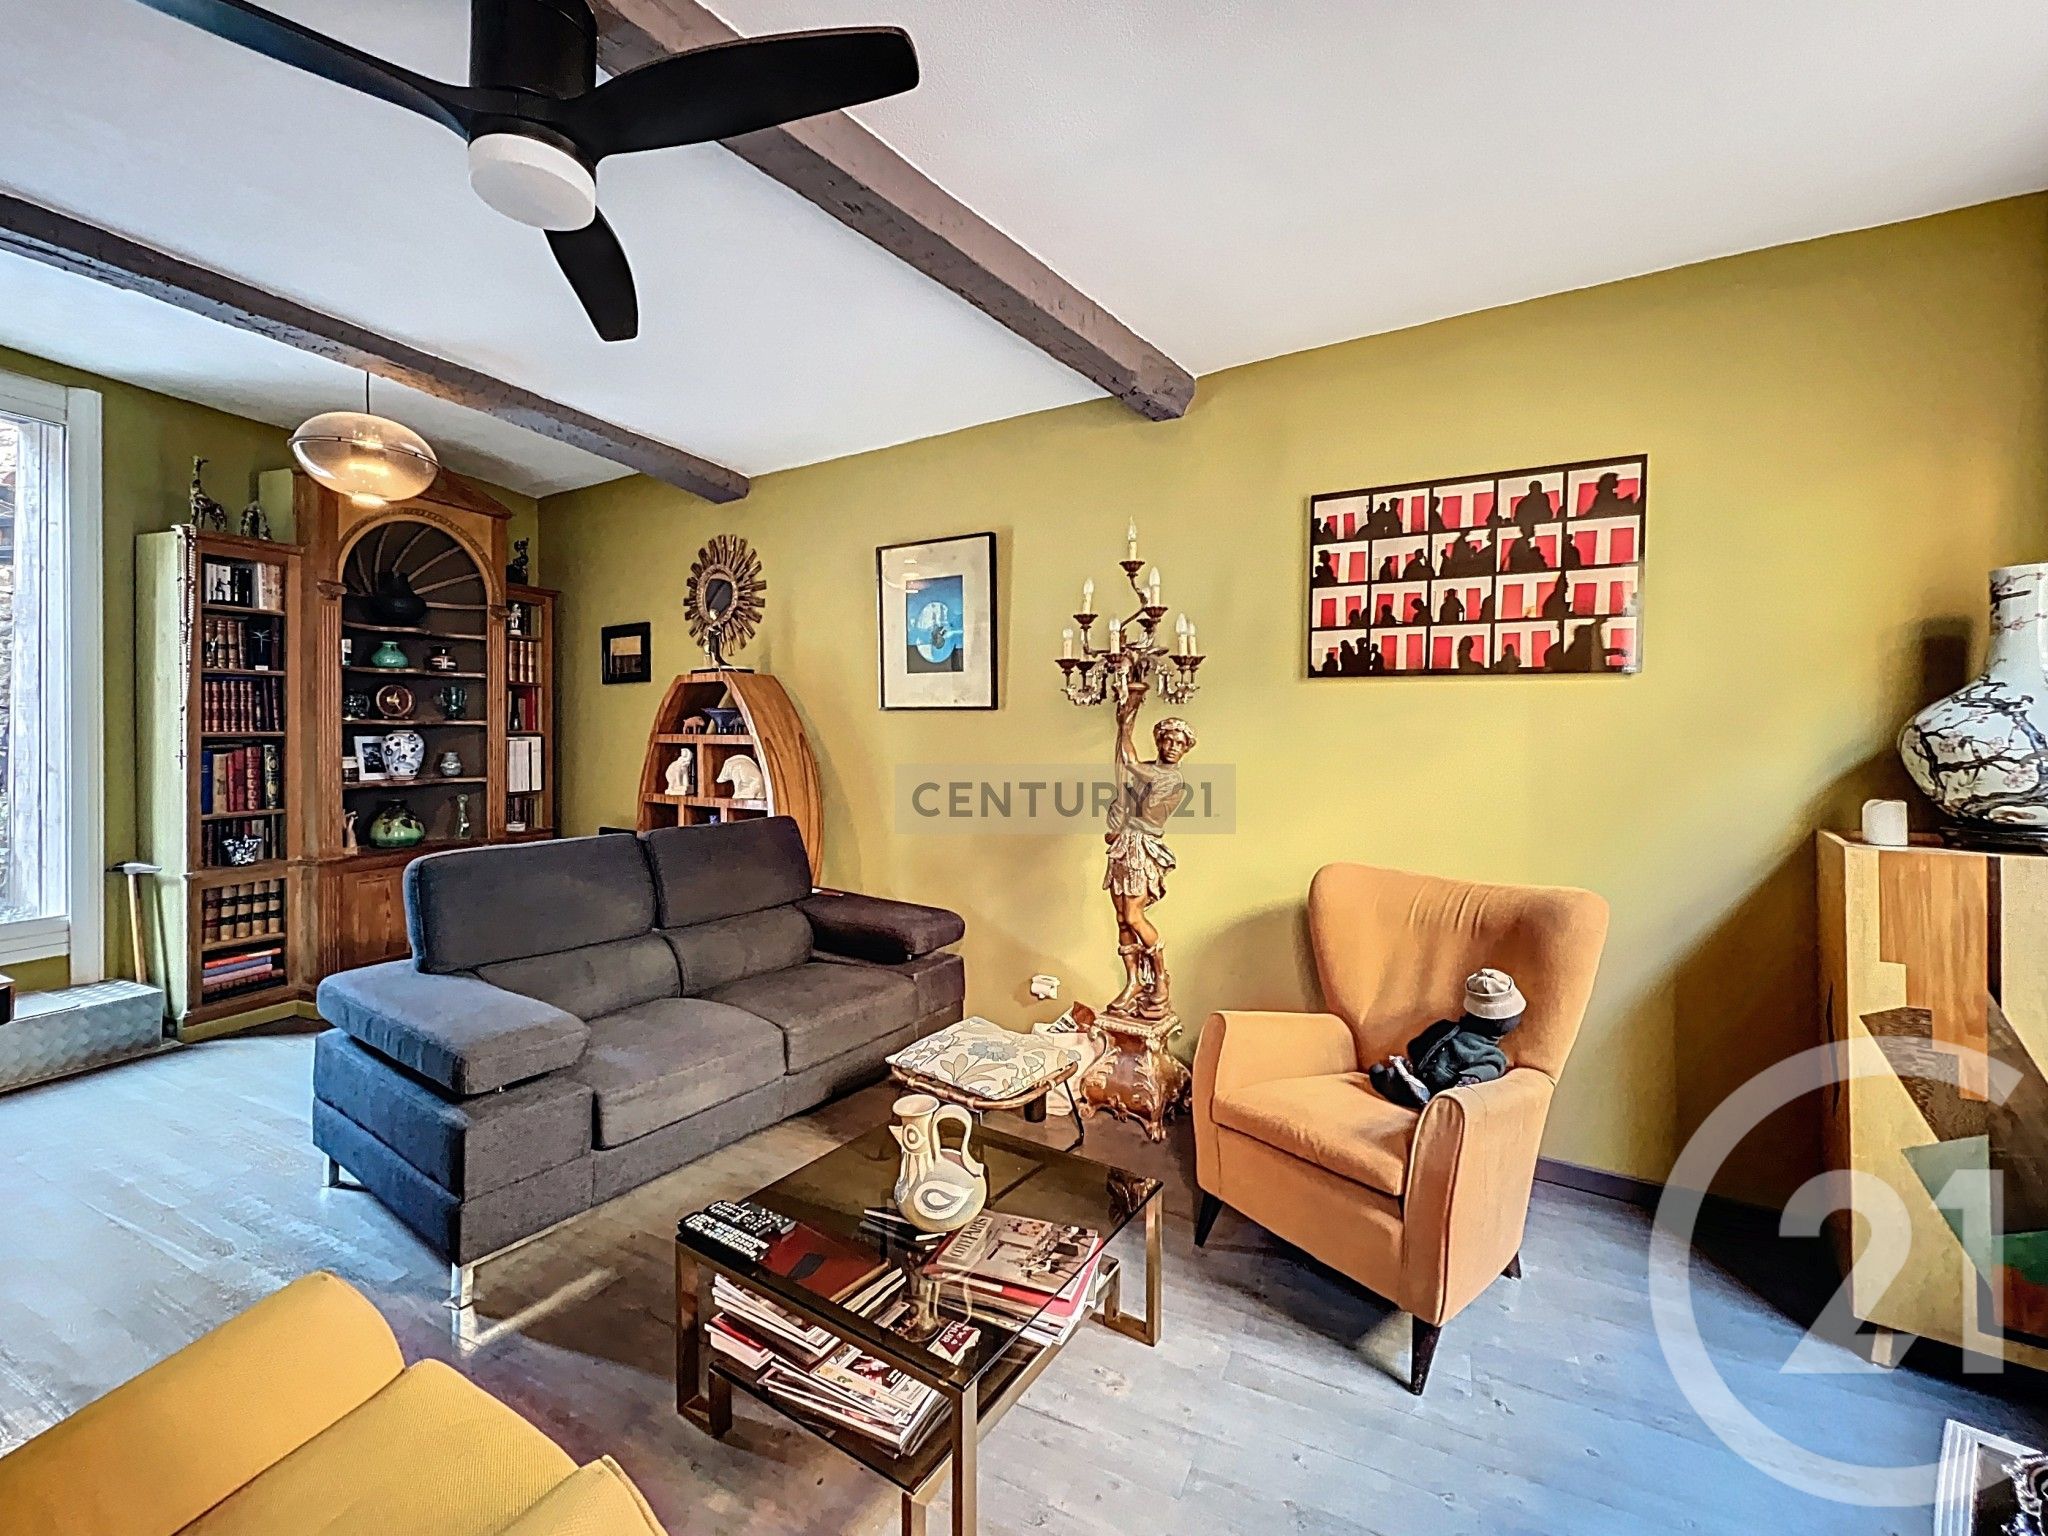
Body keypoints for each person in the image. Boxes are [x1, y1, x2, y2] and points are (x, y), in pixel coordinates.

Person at [1103, 684, 1196, 1022]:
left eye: (1179, 744)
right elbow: (1124, 770)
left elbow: (1128, 762)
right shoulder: (1149, 770)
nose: (1172, 747)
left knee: (1133, 916)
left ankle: (1160, 977)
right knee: (1121, 918)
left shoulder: (1171, 780)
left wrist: (1126, 723)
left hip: (1142, 848)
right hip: (1124, 847)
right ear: (1159, 742)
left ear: (1185, 750)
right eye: (1168, 740)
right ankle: (1133, 982)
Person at [1366, 969, 1524, 1109]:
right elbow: (1416, 1046)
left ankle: (1406, 1092)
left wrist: (1472, 1078)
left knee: (1424, 1096)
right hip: (1418, 1076)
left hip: (1442, 1091)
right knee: (1401, 1080)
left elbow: (1489, 1068)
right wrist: (1413, 1061)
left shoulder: (1490, 1053)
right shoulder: (1444, 1027)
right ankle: (1395, 1083)